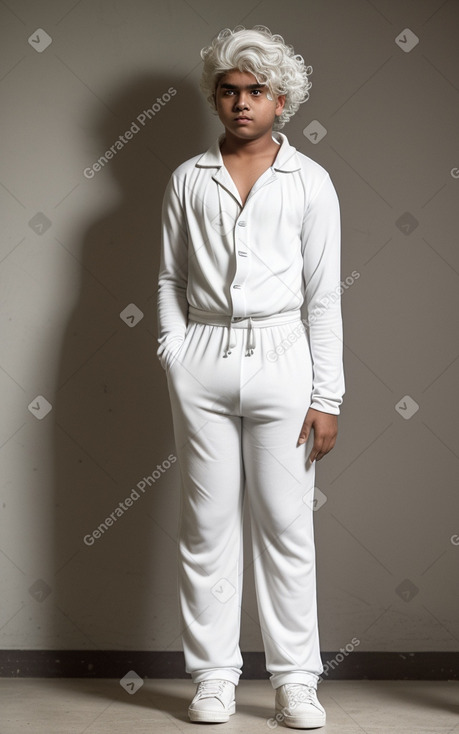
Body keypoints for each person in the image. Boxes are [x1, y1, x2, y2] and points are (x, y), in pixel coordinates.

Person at [156, 25, 345, 729]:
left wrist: (326, 396)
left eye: (255, 91)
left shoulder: (310, 184)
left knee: (286, 527)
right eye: (229, 90)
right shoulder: (186, 179)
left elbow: (323, 297)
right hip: (202, 358)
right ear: (216, 97)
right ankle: (213, 678)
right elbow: (170, 278)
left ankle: (295, 680)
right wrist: (176, 353)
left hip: (282, 358)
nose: (241, 103)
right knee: (204, 527)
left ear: (281, 100)